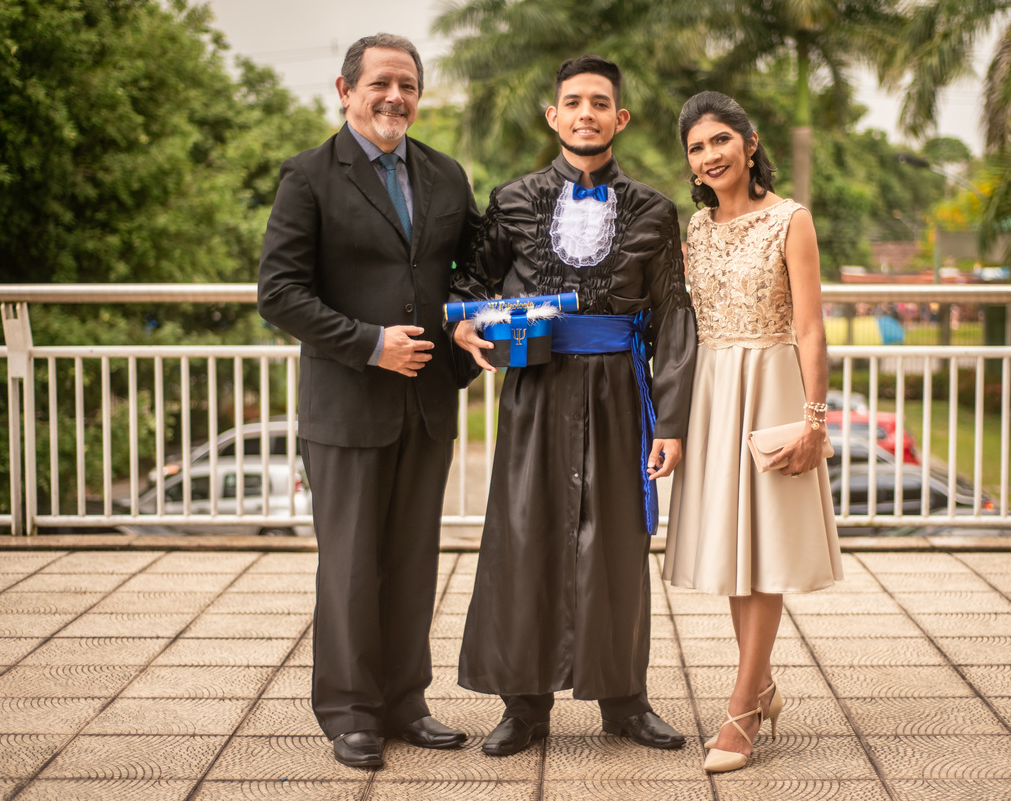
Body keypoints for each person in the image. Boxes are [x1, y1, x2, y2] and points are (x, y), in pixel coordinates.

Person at [451, 55, 697, 757]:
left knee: (618, 545)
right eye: (572, 101)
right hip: (537, 387)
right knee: (524, 539)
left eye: (600, 103)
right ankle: (523, 708)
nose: (585, 112)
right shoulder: (512, 199)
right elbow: (472, 279)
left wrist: (672, 423)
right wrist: (464, 322)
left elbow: (675, 318)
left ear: (618, 119)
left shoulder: (655, 208)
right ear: (553, 116)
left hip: (622, 389)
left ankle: (625, 702)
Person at [257, 33, 480, 769]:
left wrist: (475, 322)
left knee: (414, 559)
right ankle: (349, 708)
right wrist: (369, 342)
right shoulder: (308, 176)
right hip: (347, 404)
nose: (395, 97)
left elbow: (474, 271)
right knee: (351, 562)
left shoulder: (447, 176)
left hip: (430, 402)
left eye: (408, 85)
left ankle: (405, 700)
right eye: (381, 83)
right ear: (345, 90)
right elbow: (279, 294)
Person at [662, 91, 843, 773]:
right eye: (696, 148)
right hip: (713, 389)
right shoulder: (696, 228)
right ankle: (763, 684)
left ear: (750, 141)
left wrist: (814, 419)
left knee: (764, 549)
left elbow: (810, 326)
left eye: (719, 141)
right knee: (738, 548)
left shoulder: (791, 219)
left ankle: (740, 708)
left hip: (772, 385)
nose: (709, 156)